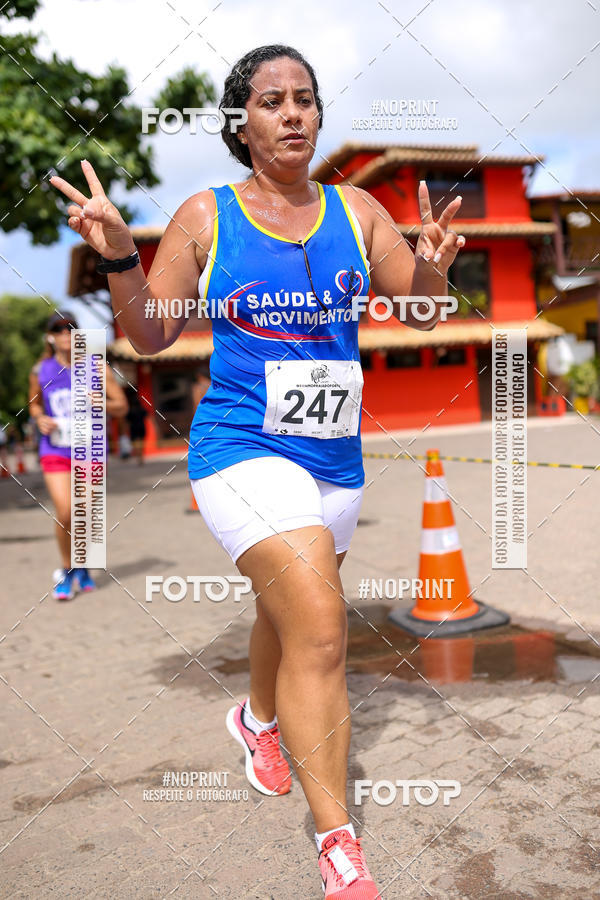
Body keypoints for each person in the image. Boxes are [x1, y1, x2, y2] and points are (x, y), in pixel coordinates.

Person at [49, 44, 466, 898]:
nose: (292, 113)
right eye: (272, 100)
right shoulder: (209, 213)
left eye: (305, 98)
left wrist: (433, 268)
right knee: (320, 619)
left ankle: (256, 719)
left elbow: (422, 316)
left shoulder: (357, 209)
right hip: (240, 446)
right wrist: (125, 255)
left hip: (334, 459)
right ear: (242, 124)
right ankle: (339, 844)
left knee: (287, 614)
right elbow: (153, 337)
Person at [28, 310, 128, 600]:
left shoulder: (97, 368)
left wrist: (103, 403)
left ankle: (82, 566)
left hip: (89, 448)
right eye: (58, 330)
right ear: (50, 337)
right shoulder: (40, 371)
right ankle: (67, 567)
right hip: (55, 448)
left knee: (83, 511)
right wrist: (38, 418)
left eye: (70, 329)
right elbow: (34, 405)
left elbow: (122, 405)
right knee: (66, 511)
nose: (65, 335)